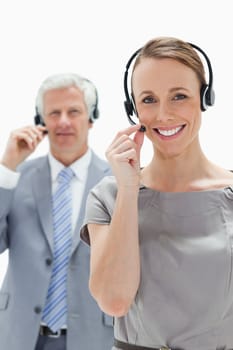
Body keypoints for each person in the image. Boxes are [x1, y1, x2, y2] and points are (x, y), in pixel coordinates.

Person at [80, 37, 233, 350]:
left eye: (178, 96)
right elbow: (114, 301)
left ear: (205, 98)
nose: (163, 114)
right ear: (132, 108)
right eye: (148, 100)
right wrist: (128, 188)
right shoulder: (107, 195)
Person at [0, 73, 114, 350]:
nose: (63, 121)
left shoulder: (115, 182)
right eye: (53, 113)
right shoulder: (17, 176)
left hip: (92, 338)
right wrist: (5, 169)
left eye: (73, 111)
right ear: (41, 121)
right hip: (20, 335)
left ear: (91, 117)